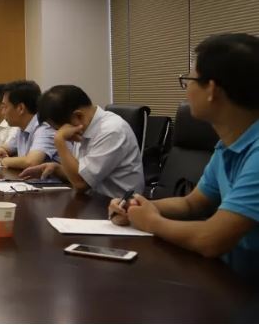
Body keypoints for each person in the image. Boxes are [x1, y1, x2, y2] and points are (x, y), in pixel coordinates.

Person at [110, 33, 259, 277]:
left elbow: (211, 239)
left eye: (189, 80)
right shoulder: (227, 145)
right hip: (228, 277)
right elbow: (193, 204)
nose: (186, 89)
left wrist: (151, 222)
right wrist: (138, 206)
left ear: (212, 90)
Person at [21, 85, 144, 197]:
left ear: (78, 116)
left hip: (119, 207)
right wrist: (56, 169)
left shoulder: (112, 131)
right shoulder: (84, 126)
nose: (60, 133)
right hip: (93, 201)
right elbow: (80, 173)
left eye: (59, 129)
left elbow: (81, 183)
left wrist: (59, 140)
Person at [0, 80, 58, 170]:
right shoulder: (22, 128)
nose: (3, 112)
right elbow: (6, 148)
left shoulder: (44, 128)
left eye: (5, 107)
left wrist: (3, 161)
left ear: (20, 108)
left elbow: (31, 162)